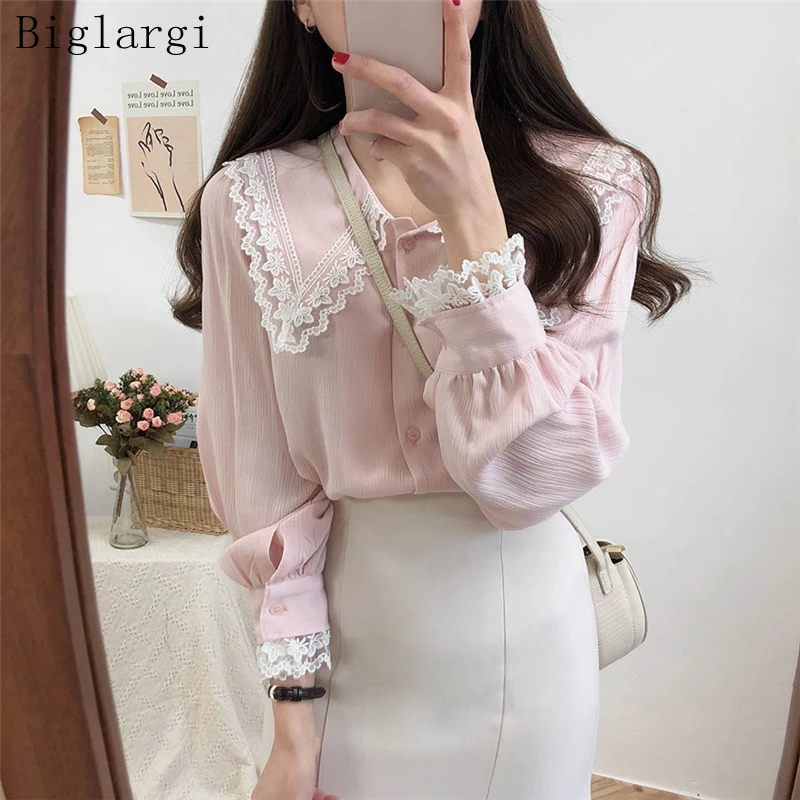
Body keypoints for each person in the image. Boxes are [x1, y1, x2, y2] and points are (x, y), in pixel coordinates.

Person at [172, 1, 692, 798]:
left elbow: (534, 479)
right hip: (349, 635)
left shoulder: (597, 182)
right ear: (301, 6)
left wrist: (472, 216)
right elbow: (264, 487)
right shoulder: (246, 200)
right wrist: (295, 722)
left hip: (523, 632)